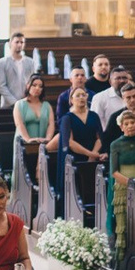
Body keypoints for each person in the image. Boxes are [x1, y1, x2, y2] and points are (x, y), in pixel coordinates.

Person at [13, 74, 55, 223]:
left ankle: (42, 208)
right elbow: (20, 124)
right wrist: (28, 140)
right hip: (24, 143)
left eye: (40, 86)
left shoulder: (46, 105)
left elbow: (51, 124)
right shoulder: (20, 104)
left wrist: (48, 139)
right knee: (26, 174)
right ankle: (22, 208)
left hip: (43, 144)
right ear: (28, 86)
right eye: (34, 85)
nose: (37, 88)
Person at [58, 87, 103, 217]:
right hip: (75, 159)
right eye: (77, 95)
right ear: (71, 100)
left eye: (83, 95)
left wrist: (93, 155)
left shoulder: (94, 116)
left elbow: (100, 138)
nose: (81, 98)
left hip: (93, 159)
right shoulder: (67, 118)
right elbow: (70, 142)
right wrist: (89, 154)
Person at [107, 110, 135, 183]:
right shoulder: (115, 145)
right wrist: (131, 183)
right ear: (121, 127)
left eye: (132, 122)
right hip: (122, 186)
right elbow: (114, 172)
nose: (130, 126)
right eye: (126, 124)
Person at [0, 33, 37, 107]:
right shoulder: (2, 63)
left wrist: (28, 98)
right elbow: (1, 86)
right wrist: (15, 102)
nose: (19, 45)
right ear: (10, 43)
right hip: (8, 104)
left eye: (22, 42)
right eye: (17, 42)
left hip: (26, 103)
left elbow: (32, 82)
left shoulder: (30, 62)